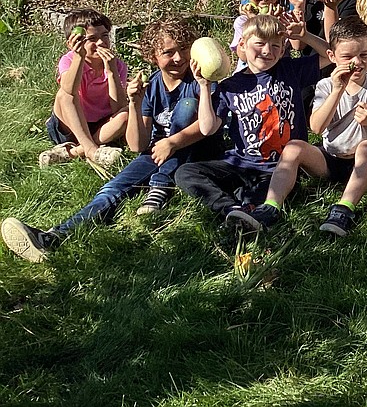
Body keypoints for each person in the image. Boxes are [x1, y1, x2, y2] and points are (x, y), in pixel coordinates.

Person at [2, 17, 219, 262]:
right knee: (111, 189)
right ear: (153, 56)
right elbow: (137, 145)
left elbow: (208, 127)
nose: (178, 58)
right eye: (169, 52)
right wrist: (135, 105)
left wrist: (173, 141)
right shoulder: (153, 85)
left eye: (183, 50)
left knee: (186, 108)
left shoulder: (199, 82)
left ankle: (159, 187)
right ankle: (53, 238)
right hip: (156, 152)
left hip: (193, 154)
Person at [244, 17, 367, 236]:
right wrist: (337, 91)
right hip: (331, 158)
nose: (357, 62)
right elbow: (316, 128)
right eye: (347, 57)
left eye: (364, 55)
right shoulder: (326, 86)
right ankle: (271, 206)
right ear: (332, 57)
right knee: (294, 147)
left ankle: (344, 208)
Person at [175, 13, 329, 233]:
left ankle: (246, 213)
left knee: (264, 195)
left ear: (284, 48)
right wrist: (204, 86)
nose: (267, 51)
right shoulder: (230, 86)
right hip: (239, 164)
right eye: (260, 44)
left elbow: (333, 56)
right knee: (186, 173)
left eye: (276, 46)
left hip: (278, 169)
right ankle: (229, 208)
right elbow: (207, 128)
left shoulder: (290, 70)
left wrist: (306, 36)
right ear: (242, 46)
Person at [40, 8, 128, 169]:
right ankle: (91, 150)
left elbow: (118, 107)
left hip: (101, 127)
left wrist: (111, 71)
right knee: (63, 94)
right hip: (71, 124)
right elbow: (69, 90)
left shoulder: (117, 65)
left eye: (104, 36)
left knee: (126, 113)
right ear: (74, 43)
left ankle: (74, 152)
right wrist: (79, 57)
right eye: (92, 39)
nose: (101, 43)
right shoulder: (69, 60)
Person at [229, 0, 290, 68]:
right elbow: (243, 56)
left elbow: (297, 46)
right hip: (251, 79)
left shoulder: (285, 20)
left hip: (279, 78)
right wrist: (255, 23)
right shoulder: (243, 22)